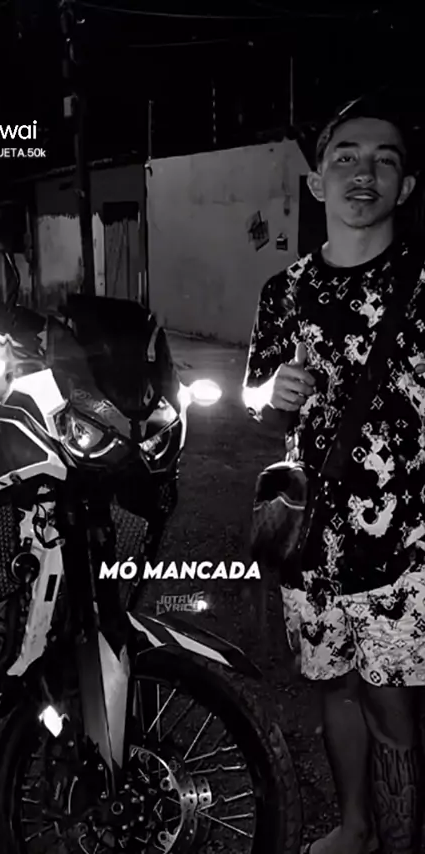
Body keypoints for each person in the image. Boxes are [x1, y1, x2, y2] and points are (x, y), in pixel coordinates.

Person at [242, 97, 425, 854]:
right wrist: (271, 392)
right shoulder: (284, 291)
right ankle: (355, 828)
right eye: (346, 156)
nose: (364, 172)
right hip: (311, 542)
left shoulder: (422, 283)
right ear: (318, 183)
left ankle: (403, 839)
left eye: (385, 159)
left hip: (407, 548)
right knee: (335, 690)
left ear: (405, 187)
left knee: (393, 710)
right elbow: (253, 396)